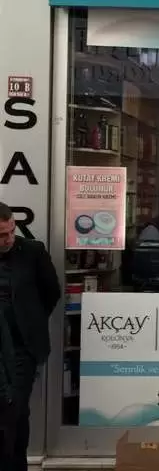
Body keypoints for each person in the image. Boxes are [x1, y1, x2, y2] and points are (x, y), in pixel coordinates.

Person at [0, 202, 61, 471]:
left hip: (22, 348)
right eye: (1, 235)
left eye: (11, 231)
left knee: (13, 409)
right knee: (13, 412)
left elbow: (51, 292)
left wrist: (30, 321)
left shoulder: (33, 252)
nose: (8, 239)